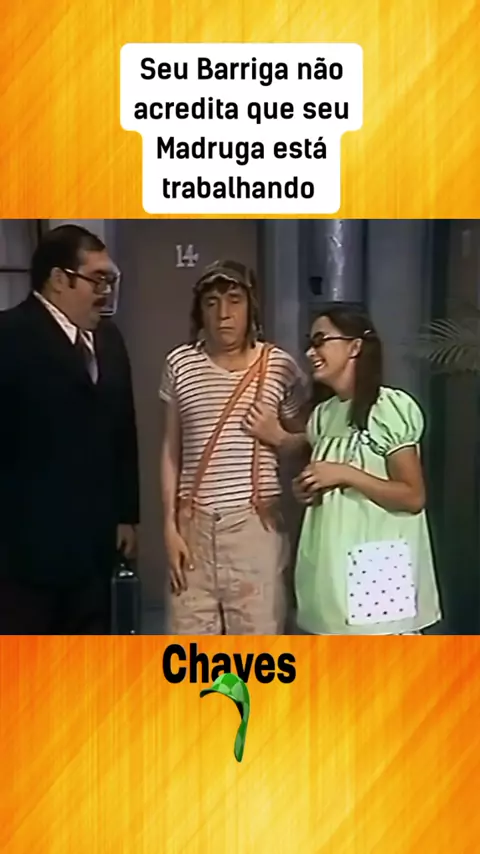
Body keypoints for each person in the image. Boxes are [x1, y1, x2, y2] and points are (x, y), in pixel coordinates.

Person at [0, 224, 139, 634]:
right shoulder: (9, 336)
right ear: (59, 279)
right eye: (97, 279)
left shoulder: (110, 339)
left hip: (95, 548)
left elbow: (124, 431)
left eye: (110, 281)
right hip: (24, 553)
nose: (105, 291)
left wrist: (127, 515)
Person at [159, 259, 309, 634]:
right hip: (192, 526)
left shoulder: (279, 366)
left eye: (234, 300)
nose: (223, 313)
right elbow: (171, 451)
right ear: (200, 311)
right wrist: (169, 527)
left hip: (254, 526)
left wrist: (277, 436)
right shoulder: (180, 363)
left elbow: (309, 443)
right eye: (211, 302)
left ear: (251, 307)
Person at [290, 305, 442, 635]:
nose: (310, 352)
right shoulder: (323, 416)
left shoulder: (389, 409)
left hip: (377, 569)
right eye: (309, 343)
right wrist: (308, 489)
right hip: (329, 570)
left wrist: (346, 474)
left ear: (355, 346)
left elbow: (413, 496)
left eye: (320, 341)